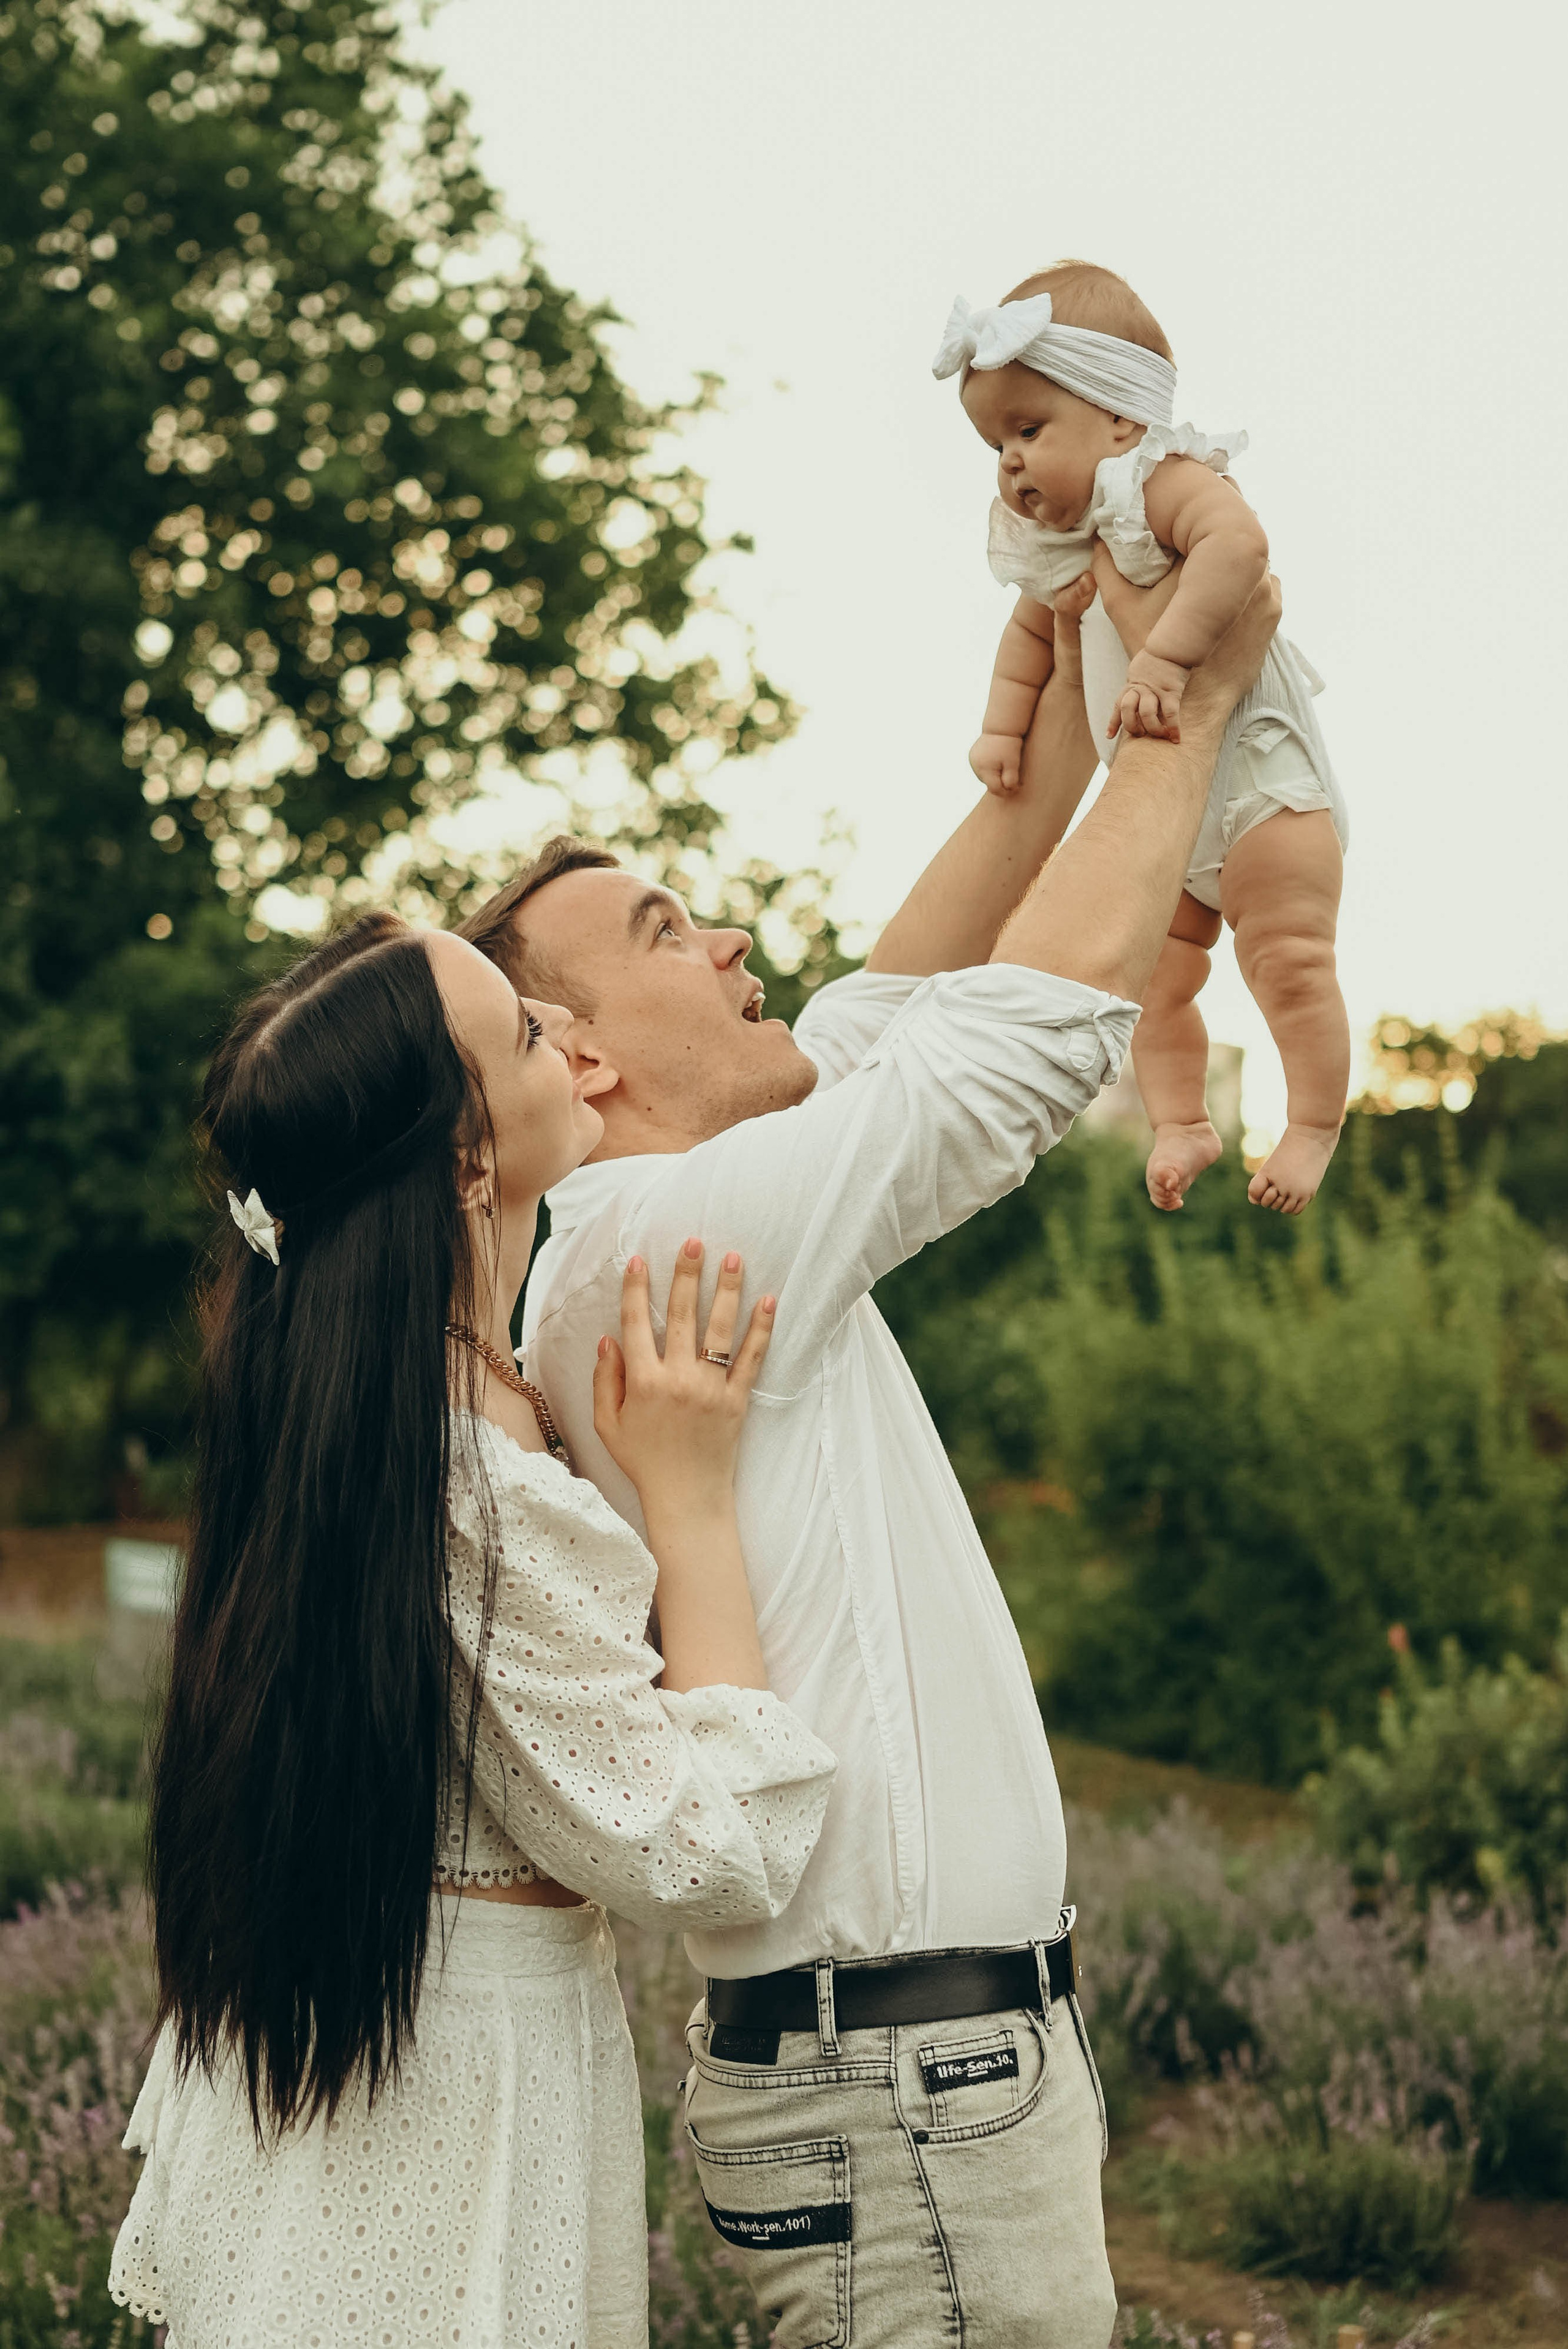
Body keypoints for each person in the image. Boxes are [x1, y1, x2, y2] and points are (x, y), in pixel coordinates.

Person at [457, 565, 1281, 2348]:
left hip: (917, 2077)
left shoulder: (695, 1211)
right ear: (580, 1050)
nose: (733, 941)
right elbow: (1001, 1052)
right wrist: (1195, 714)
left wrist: (1063, 645)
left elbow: (927, 953)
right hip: (900, 2090)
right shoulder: (658, 1245)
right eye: (672, 929)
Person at [107, 913, 835, 2349]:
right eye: (521, 1030)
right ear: (463, 1156)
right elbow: (704, 1849)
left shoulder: (360, 1415)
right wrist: (688, 1506)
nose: (568, 1037)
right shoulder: (466, 1475)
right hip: (443, 2103)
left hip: (385, 2065)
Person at [937, 259, 1351, 1216]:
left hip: (1259, 789)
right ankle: (1181, 1121)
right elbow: (1028, 642)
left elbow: (1240, 549)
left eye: (1028, 430)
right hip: (1169, 815)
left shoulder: (1159, 483)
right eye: (995, 442)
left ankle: (1313, 1125)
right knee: (1150, 988)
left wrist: (1163, 661)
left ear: (1121, 421)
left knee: (1287, 959)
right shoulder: (1058, 550)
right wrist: (1004, 732)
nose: (1007, 461)